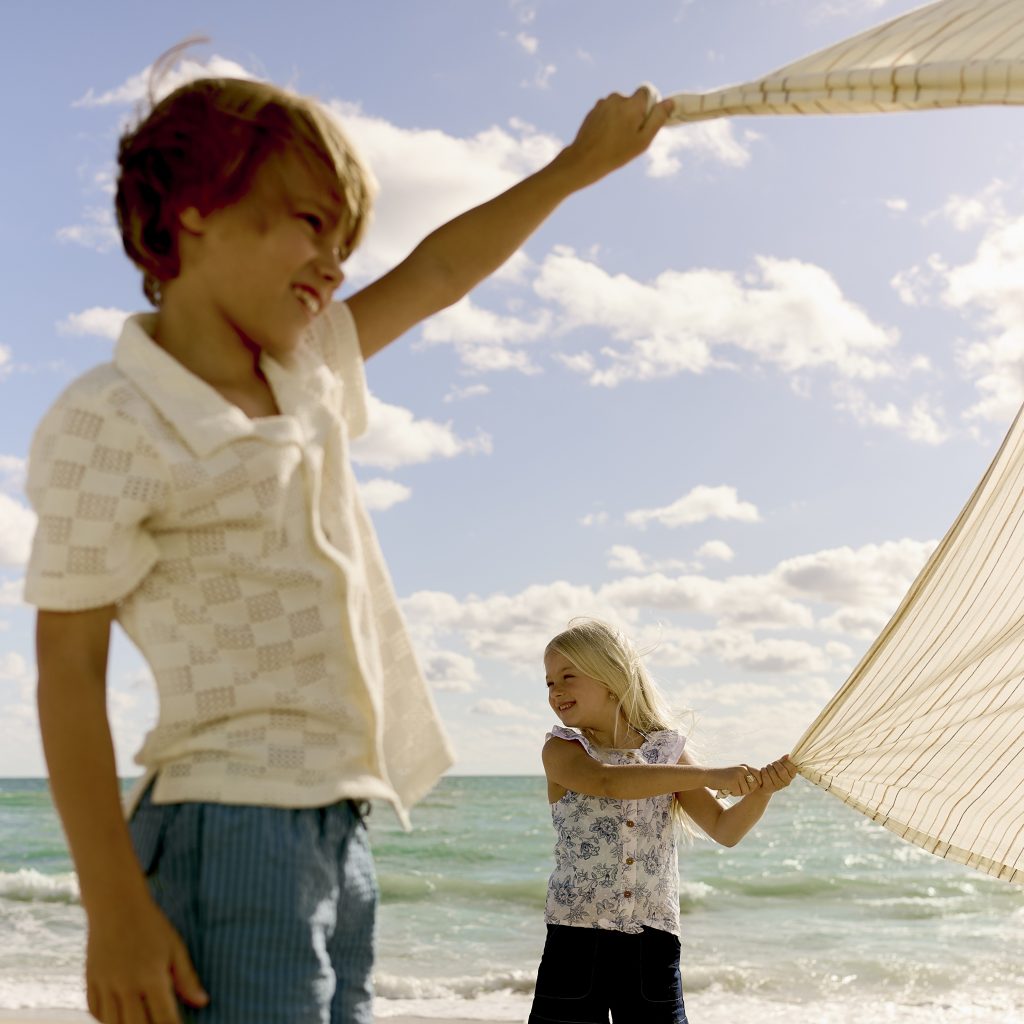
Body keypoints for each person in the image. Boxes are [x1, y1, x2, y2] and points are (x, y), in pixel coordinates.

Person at [24, 58, 674, 1024]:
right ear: (195, 209)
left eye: (346, 236)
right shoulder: (110, 417)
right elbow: (68, 671)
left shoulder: (306, 373)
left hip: (341, 828)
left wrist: (575, 168)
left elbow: (440, 272)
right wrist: (114, 907)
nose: (335, 260)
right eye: (309, 221)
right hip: (225, 827)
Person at [531, 618, 797, 1024]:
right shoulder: (563, 749)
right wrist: (710, 774)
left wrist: (763, 791)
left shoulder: (666, 751)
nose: (557, 690)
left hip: (652, 945)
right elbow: (607, 782)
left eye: (568, 676)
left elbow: (725, 829)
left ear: (611, 676)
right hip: (575, 939)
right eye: (550, 682)